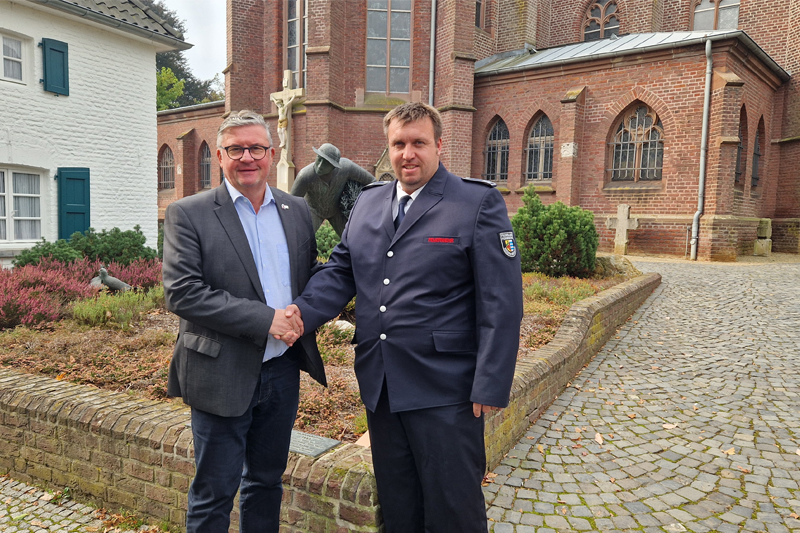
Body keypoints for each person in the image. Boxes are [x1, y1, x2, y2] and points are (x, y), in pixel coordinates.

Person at [287, 102, 523, 532]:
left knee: (454, 508)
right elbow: (341, 271)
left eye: (418, 143)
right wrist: (299, 314)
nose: (408, 153)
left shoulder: (475, 202)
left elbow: (502, 301)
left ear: (438, 146)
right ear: (388, 147)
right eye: (399, 143)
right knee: (399, 507)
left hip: (446, 389)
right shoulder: (369, 202)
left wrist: (490, 381)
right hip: (382, 387)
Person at [162, 110, 324, 533]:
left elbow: (309, 274)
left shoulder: (296, 210)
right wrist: (267, 319)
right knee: (214, 492)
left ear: (272, 153)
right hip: (220, 371)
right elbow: (182, 292)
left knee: (267, 482)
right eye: (236, 149)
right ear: (219, 155)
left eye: (256, 148)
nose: (247, 157)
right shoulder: (189, 213)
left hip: (282, 371)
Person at [291, 143, 375, 236]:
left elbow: (372, 181)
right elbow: (292, 204)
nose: (319, 166)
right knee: (303, 240)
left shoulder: (346, 168)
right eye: (319, 159)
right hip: (313, 210)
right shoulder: (305, 176)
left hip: (336, 210)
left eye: (326, 163)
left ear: (334, 166)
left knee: (352, 239)